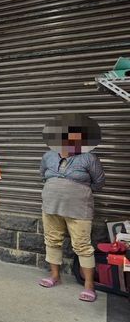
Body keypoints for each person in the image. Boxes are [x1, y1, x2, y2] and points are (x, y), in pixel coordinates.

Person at [39, 114, 105, 302]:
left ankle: (89, 286)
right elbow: (43, 175)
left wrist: (77, 191)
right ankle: (54, 276)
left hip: (79, 209)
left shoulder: (89, 158)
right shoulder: (48, 156)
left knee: (82, 246)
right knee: (52, 240)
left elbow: (99, 182)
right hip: (51, 206)